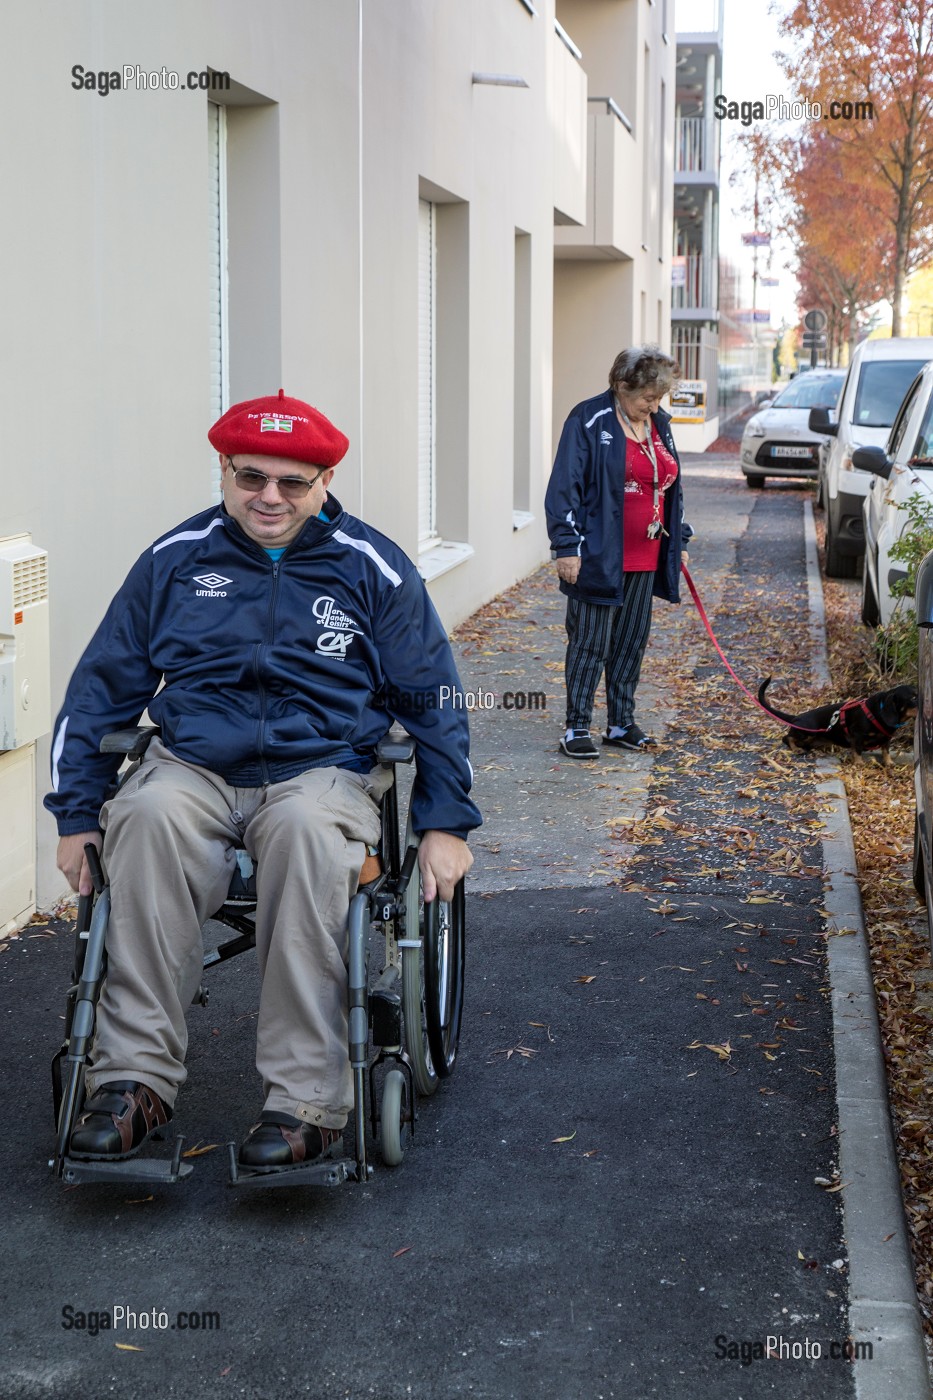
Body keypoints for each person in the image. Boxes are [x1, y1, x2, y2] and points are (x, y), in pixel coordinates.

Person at [46, 390, 480, 1172]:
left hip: (320, 770)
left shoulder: (372, 568)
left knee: (307, 837)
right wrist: (76, 814)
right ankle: (132, 1081)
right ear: (223, 471)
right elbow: (97, 690)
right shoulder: (174, 560)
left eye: (292, 482)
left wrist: (444, 823)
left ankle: (305, 1100)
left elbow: (435, 699)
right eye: (251, 478)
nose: (269, 498)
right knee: (141, 818)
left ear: (323, 481)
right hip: (193, 765)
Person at [545, 345, 692, 759]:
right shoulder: (588, 418)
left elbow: (666, 484)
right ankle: (576, 727)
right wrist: (566, 545)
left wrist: (676, 538)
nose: (654, 405)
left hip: (646, 553)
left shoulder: (658, 423)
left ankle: (621, 722)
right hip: (598, 554)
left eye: (659, 397)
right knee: (590, 642)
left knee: (631, 641)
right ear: (621, 385)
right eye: (647, 396)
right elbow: (563, 487)